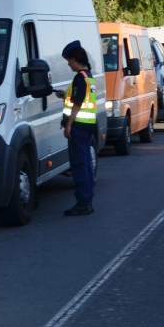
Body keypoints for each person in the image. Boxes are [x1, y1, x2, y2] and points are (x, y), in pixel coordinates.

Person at [57, 40, 97, 216]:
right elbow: (79, 98)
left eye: (69, 60)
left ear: (75, 59)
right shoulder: (89, 76)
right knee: (86, 165)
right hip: (88, 126)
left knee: (79, 166)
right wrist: (64, 95)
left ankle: (83, 203)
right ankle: (87, 201)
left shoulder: (79, 78)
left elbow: (78, 104)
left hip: (78, 128)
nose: (68, 64)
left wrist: (68, 125)